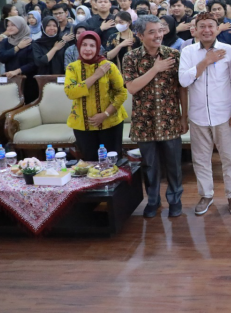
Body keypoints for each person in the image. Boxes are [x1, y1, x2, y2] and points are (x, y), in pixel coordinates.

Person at [123, 14, 188, 218]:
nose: (158, 35)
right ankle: (153, 201)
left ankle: (175, 200)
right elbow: (132, 88)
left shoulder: (174, 55)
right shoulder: (130, 57)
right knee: (149, 166)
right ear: (140, 35)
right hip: (144, 120)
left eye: (160, 30)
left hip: (169, 120)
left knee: (174, 165)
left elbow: (182, 89)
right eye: (152, 32)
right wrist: (156, 69)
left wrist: (184, 116)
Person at [179, 12, 231, 216]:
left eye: (210, 26)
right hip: (197, 116)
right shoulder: (188, 51)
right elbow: (183, 81)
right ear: (195, 30)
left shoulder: (229, 50)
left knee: (229, 159)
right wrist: (205, 62)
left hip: (223, 114)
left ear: (217, 29)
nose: (206, 30)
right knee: (200, 159)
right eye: (202, 26)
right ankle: (206, 195)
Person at [64, 31, 127, 160]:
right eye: (84, 45)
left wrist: (105, 114)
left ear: (98, 47)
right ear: (79, 47)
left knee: (112, 163)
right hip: (83, 124)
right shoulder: (72, 68)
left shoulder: (109, 66)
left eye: (92, 46)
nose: (88, 49)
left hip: (110, 122)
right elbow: (70, 93)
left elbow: (122, 93)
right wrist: (96, 76)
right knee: (90, 163)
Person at [0, 16, 39, 102]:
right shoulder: (5, 42)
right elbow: (1, 57)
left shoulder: (30, 42)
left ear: (21, 26)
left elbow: (33, 64)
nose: (9, 28)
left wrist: (16, 71)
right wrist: (17, 47)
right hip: (11, 80)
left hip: (28, 81)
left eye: (13, 25)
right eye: (8, 25)